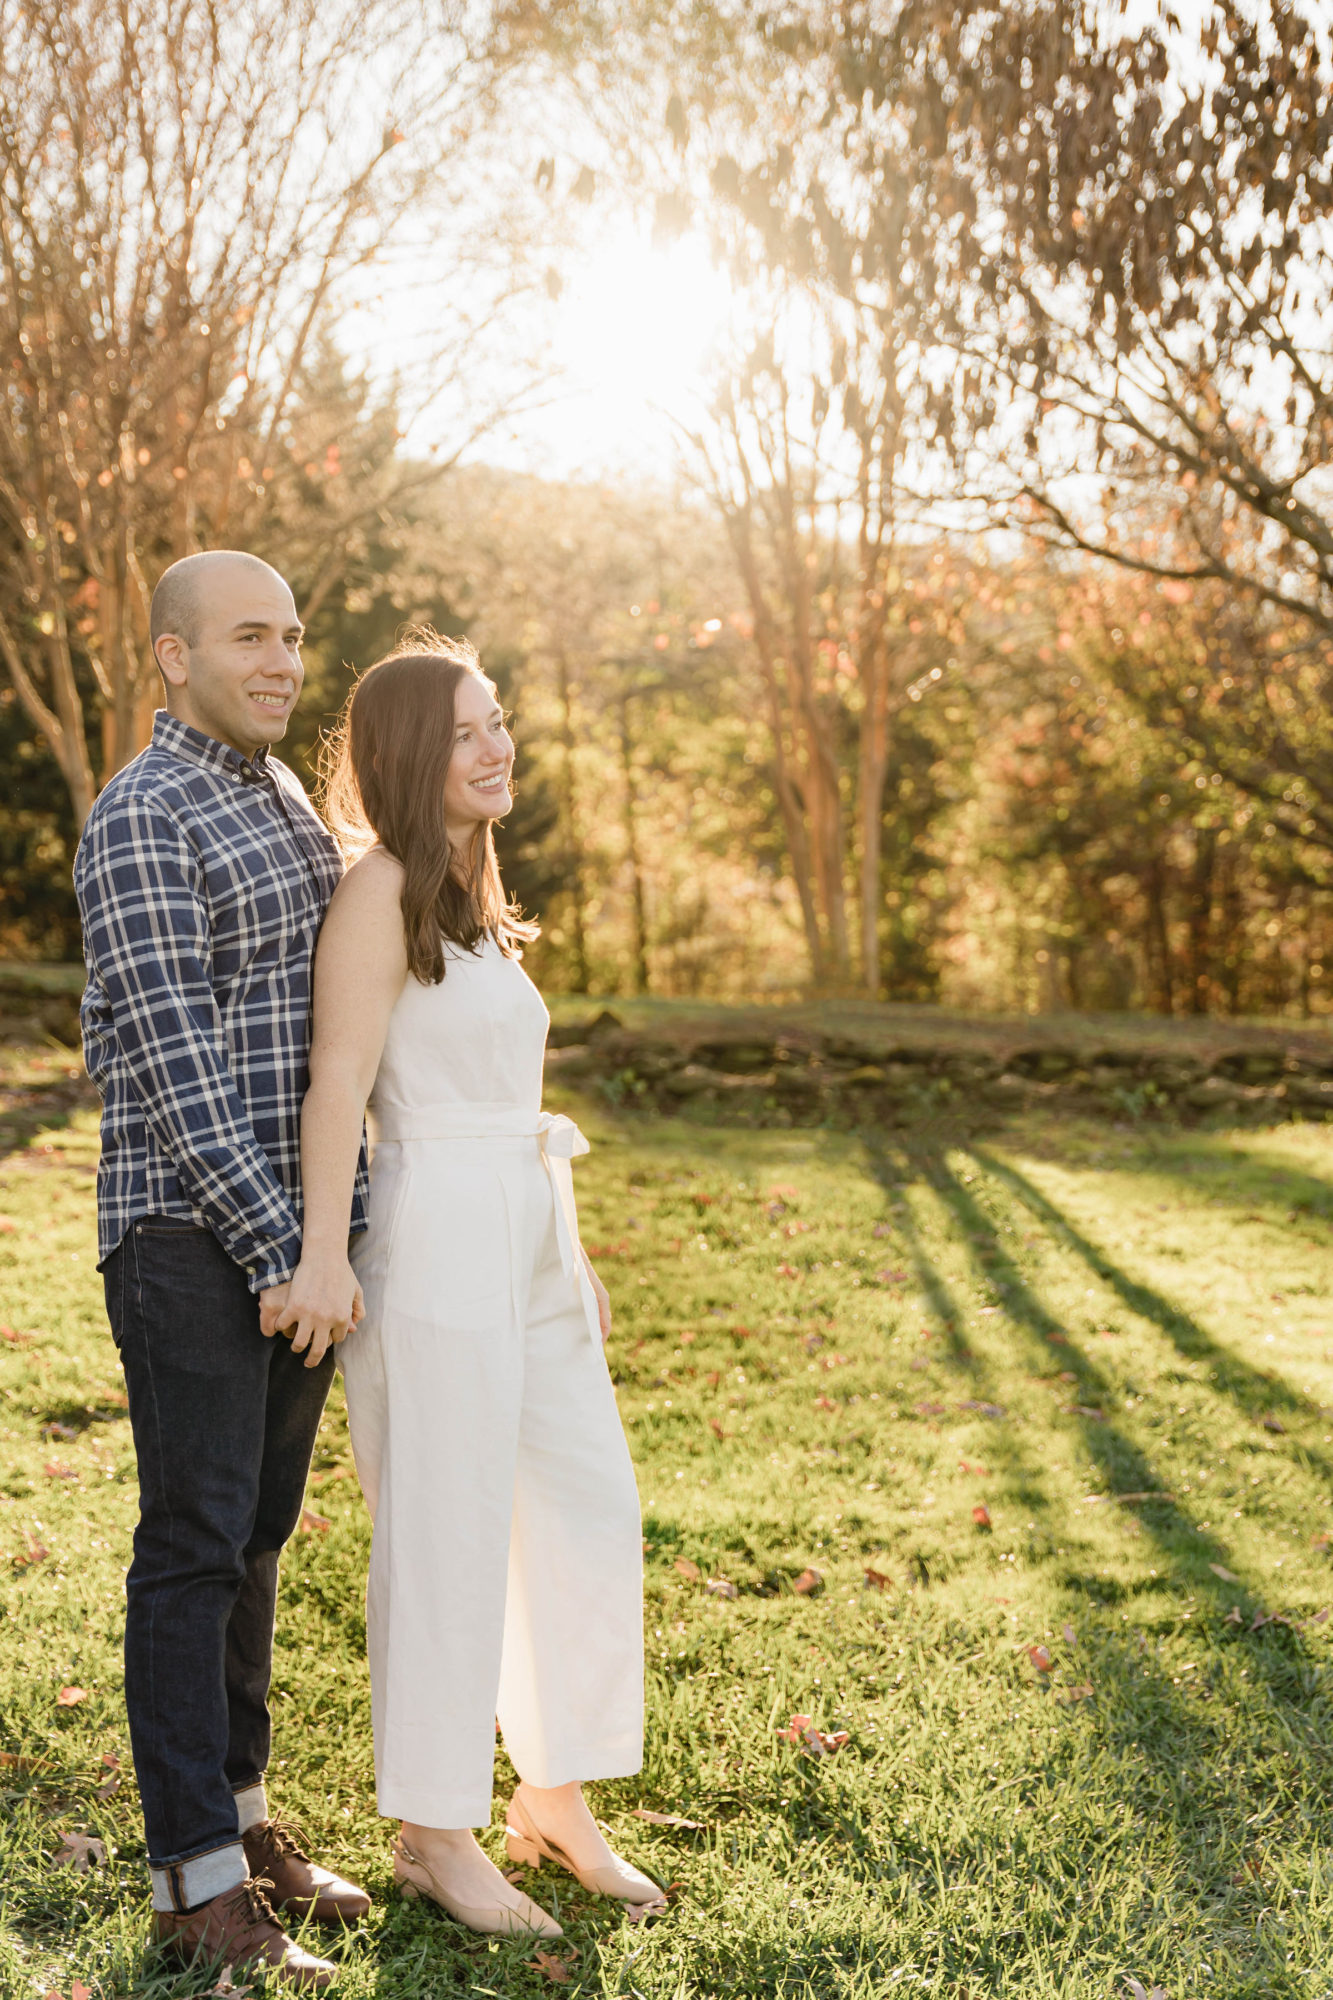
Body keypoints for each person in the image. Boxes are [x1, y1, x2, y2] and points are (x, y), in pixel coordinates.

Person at [276, 634, 656, 1938]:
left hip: (526, 1227)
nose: (498, 748)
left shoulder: (473, 895)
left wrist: (573, 1254)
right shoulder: (378, 890)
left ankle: (550, 1794)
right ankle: (434, 1830)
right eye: (467, 732)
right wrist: (324, 1251)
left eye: (499, 724)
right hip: (429, 1230)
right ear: (403, 756)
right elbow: (339, 1079)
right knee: (443, 1533)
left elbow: (516, 1100)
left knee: (585, 1506)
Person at [73, 551, 372, 1991]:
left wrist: (326, 1241)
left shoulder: (279, 794)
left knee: (253, 1542)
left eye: (295, 637)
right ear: (172, 658)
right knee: (192, 1550)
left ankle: (249, 1830)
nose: (281, 662)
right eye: (249, 637)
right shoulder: (142, 815)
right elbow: (181, 1068)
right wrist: (284, 1251)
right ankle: (193, 1889)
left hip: (291, 1250)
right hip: (191, 1245)